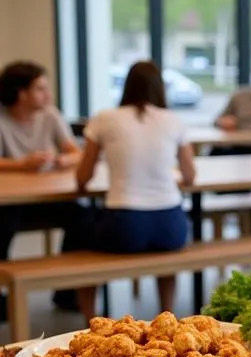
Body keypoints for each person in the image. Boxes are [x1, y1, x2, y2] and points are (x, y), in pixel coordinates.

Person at [76, 61, 196, 319]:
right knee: (164, 250)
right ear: (160, 88)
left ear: (127, 87)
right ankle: (168, 313)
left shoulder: (104, 118)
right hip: (171, 227)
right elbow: (190, 175)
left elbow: (82, 177)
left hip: (125, 225)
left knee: (79, 243)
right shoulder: (173, 120)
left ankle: (89, 320)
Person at [0, 60, 84, 317]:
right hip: (10, 201)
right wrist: (23, 164)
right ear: (21, 93)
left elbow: (75, 152)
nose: (48, 95)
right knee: (3, 223)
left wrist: (59, 160)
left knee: (82, 217)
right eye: (40, 89)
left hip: (48, 197)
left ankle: (67, 292)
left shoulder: (50, 114)